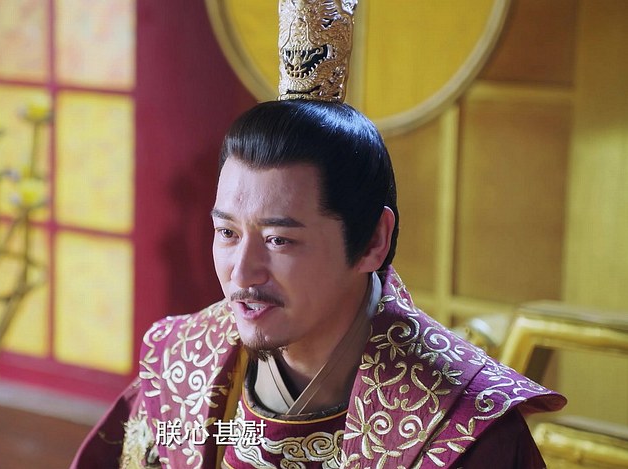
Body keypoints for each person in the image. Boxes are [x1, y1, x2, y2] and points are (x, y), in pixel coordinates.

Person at [72, 2, 565, 467]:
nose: (242, 274)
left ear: (372, 241)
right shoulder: (180, 364)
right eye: (227, 232)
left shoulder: (463, 427)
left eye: (279, 240)